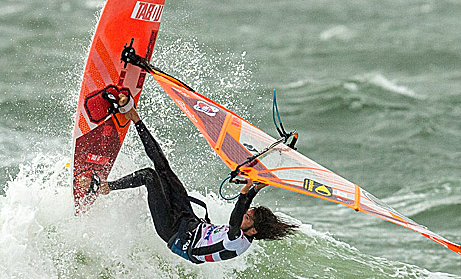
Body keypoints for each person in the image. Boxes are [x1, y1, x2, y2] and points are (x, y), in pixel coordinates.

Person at [77, 93, 297, 263]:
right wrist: (256, 186)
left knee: (149, 176)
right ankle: (135, 118)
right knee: (164, 168)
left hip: (173, 232)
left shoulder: (237, 243)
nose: (245, 216)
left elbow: (233, 220)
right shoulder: (244, 231)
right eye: (248, 214)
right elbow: (240, 214)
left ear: (253, 231)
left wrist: (247, 193)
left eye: (248, 218)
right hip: (188, 219)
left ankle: (101, 187)